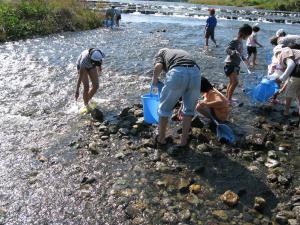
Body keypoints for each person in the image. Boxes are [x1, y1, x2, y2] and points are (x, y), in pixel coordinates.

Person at [152, 48, 201, 147]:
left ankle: (161, 139)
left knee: (164, 109)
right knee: (188, 110)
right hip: (196, 73)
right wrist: (182, 103)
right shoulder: (177, 52)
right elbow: (187, 75)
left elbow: (158, 66)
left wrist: (154, 81)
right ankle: (183, 142)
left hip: (178, 72)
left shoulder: (161, 53)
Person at [224, 24, 252, 103]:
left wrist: (244, 58)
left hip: (235, 64)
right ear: (244, 33)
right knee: (235, 82)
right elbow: (227, 50)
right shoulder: (235, 40)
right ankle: (229, 99)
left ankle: (227, 98)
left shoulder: (240, 42)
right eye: (248, 35)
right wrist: (233, 52)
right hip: (230, 64)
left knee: (231, 82)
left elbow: (240, 54)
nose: (248, 37)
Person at [270, 47, 300, 117]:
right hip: (297, 72)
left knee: (288, 94)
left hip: (298, 71)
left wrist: (281, 78)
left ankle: (286, 113)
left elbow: (291, 65)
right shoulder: (295, 52)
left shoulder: (283, 53)